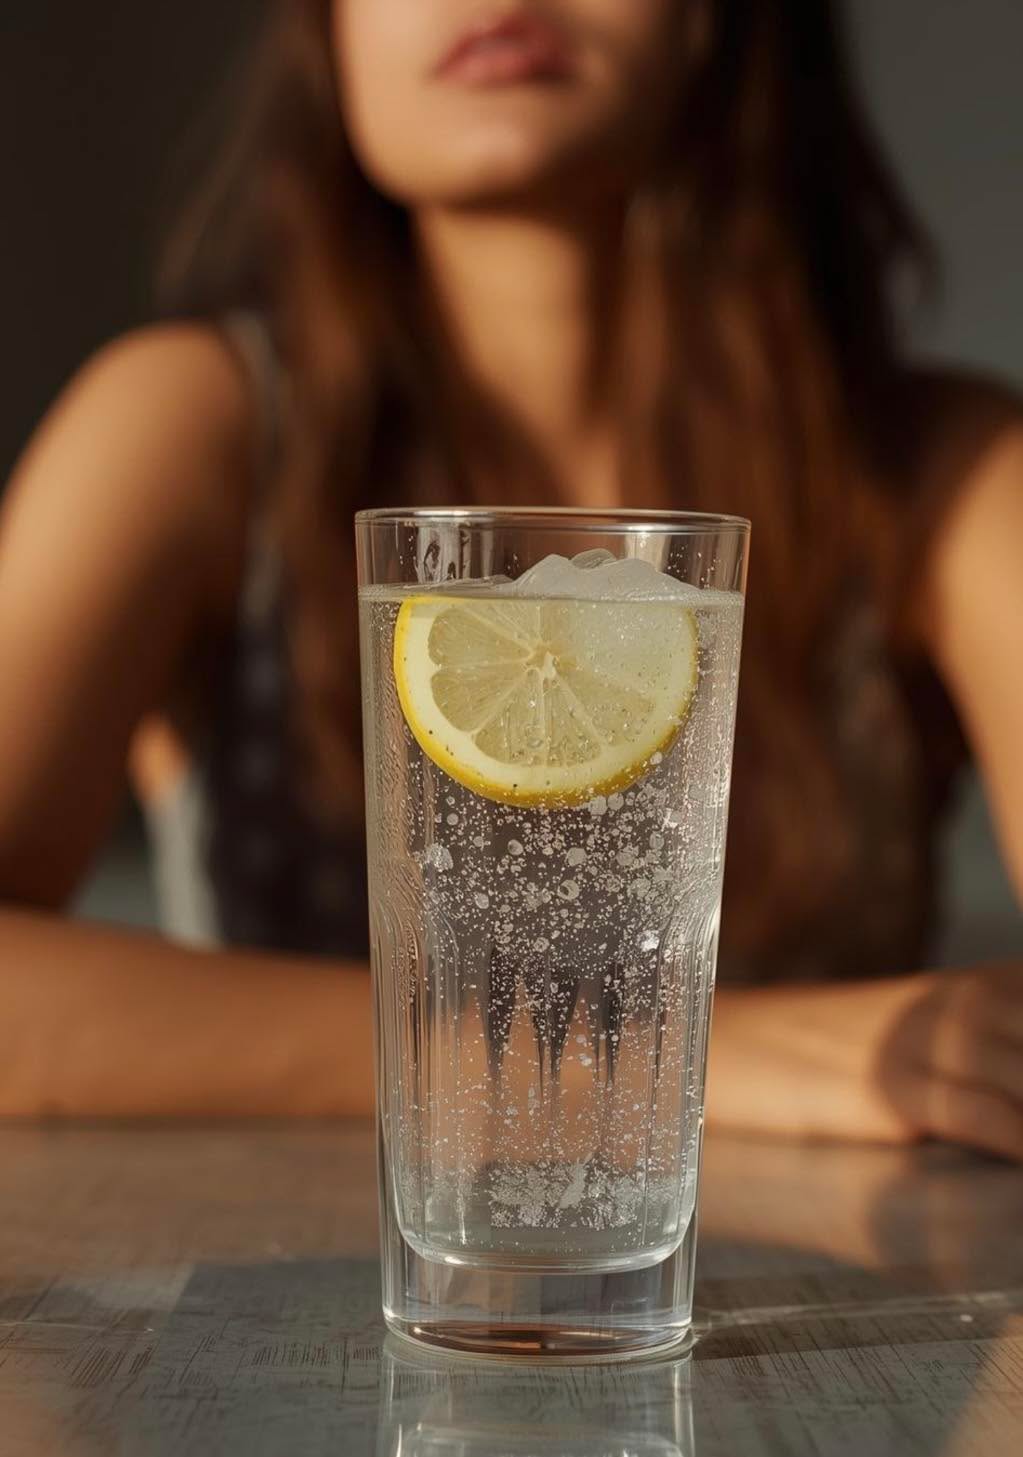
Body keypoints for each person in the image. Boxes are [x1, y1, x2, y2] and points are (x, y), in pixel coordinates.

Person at [1, 0, 1021, 1153]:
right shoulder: (195, 428)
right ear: (327, 35)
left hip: (832, 1301)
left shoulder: (944, 473)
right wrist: (673, 1057)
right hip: (311, 1299)